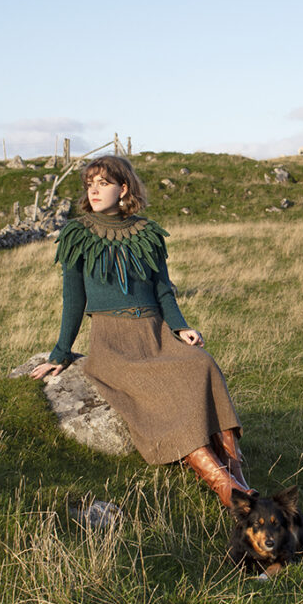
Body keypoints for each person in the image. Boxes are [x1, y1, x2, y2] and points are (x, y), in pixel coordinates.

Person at [30, 155, 254, 507]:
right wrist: (60, 353)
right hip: (113, 342)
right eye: (90, 184)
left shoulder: (147, 233)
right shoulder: (77, 235)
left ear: (124, 188)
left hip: (156, 332)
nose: (94, 190)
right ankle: (232, 493)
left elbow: (163, 288)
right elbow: (73, 300)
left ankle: (241, 479)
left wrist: (181, 327)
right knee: (160, 395)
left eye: (103, 183)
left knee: (203, 365)